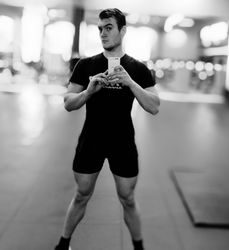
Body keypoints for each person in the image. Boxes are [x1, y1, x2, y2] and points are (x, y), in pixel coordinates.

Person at [55, 8, 160, 250]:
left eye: (109, 27)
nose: (103, 33)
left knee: (128, 198)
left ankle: (138, 245)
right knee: (81, 195)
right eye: (100, 29)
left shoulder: (138, 68)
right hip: (91, 139)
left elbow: (154, 106)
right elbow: (68, 103)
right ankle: (63, 244)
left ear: (123, 30)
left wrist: (130, 83)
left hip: (122, 140)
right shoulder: (86, 65)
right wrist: (88, 91)